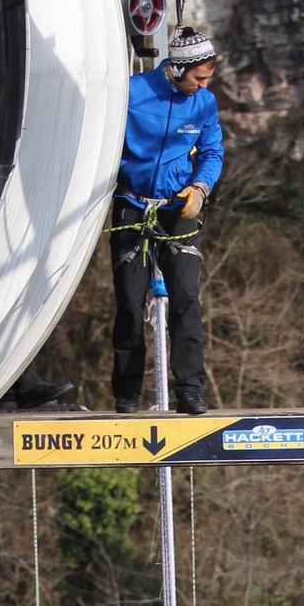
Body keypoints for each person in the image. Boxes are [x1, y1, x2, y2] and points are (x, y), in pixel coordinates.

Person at [109, 25, 223, 417]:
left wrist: (201, 188)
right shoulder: (132, 93)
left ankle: (190, 388)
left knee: (186, 298)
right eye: (199, 77)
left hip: (178, 207)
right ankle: (127, 391)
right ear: (176, 68)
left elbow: (212, 151)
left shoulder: (204, 103)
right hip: (132, 203)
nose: (204, 86)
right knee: (129, 299)